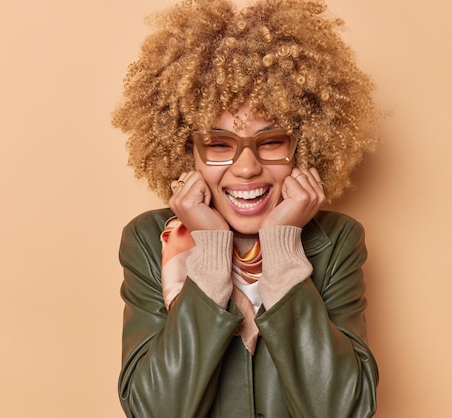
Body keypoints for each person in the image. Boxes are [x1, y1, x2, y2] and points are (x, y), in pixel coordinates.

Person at [112, 0, 381, 416]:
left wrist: (284, 246)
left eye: (271, 141)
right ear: (189, 155)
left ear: (302, 147)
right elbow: (153, 411)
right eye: (219, 144)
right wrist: (211, 247)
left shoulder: (338, 241)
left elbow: (345, 409)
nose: (247, 167)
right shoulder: (150, 242)